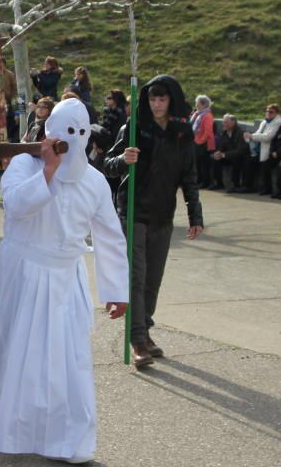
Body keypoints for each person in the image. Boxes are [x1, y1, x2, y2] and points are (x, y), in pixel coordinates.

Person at [0, 98, 128, 463]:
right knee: (22, 351)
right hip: (24, 269)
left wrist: (116, 290)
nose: (74, 139)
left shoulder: (95, 180)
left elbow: (109, 235)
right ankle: (20, 427)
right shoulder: (24, 164)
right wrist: (48, 171)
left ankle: (72, 439)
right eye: (67, 131)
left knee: (70, 358)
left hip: (68, 276)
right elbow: (16, 204)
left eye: (81, 132)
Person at [104, 76, 203, 367]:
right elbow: (107, 165)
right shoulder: (134, 129)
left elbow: (190, 176)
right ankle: (136, 340)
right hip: (133, 211)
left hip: (163, 214)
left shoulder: (182, 133)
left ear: (171, 100)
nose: (157, 105)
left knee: (153, 279)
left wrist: (195, 214)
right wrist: (124, 159)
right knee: (136, 277)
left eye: (162, 99)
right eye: (152, 99)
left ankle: (145, 330)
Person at [239, 103, 281, 193]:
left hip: (269, 150)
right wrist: (250, 136)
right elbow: (258, 133)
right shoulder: (265, 121)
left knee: (265, 166)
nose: (268, 113)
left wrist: (252, 136)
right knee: (247, 161)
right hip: (259, 149)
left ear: (277, 113)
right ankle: (247, 186)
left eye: (271, 112)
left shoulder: (278, 123)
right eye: (267, 111)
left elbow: (268, 137)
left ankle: (267, 188)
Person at [210, 114, 247, 190]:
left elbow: (240, 150)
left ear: (233, 123)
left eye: (226, 122)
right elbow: (221, 146)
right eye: (223, 122)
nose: (223, 124)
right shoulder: (224, 133)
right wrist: (218, 152)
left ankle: (235, 184)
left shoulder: (241, 133)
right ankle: (218, 183)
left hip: (240, 156)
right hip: (227, 155)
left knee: (236, 160)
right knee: (215, 159)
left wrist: (224, 154)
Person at [190, 95, 215, 187]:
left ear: (204, 104)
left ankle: (204, 182)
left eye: (198, 103)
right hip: (196, 142)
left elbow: (208, 132)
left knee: (204, 164)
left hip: (204, 144)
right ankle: (199, 180)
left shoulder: (207, 116)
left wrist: (200, 141)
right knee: (197, 163)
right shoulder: (197, 114)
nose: (196, 105)